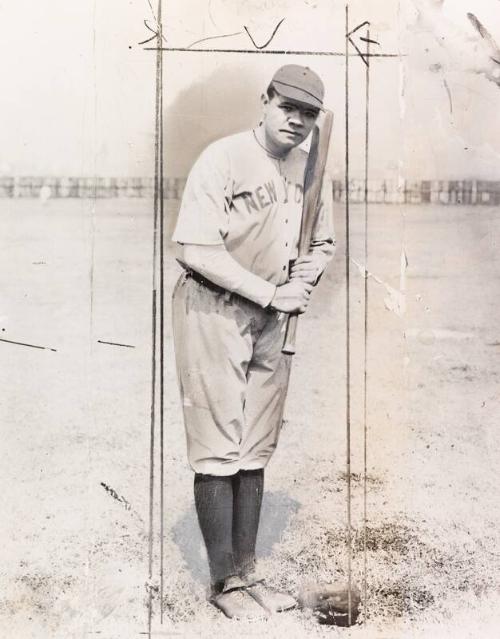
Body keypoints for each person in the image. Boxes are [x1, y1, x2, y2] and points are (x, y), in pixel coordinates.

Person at [171, 64, 335, 620]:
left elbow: (323, 242)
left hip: (273, 317)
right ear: (264, 102)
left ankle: (247, 573)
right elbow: (194, 248)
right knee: (218, 443)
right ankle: (224, 584)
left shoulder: (313, 169)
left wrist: (300, 283)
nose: (296, 119)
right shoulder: (223, 157)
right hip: (214, 308)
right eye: (287, 106)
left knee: (256, 443)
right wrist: (271, 292)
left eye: (308, 112)